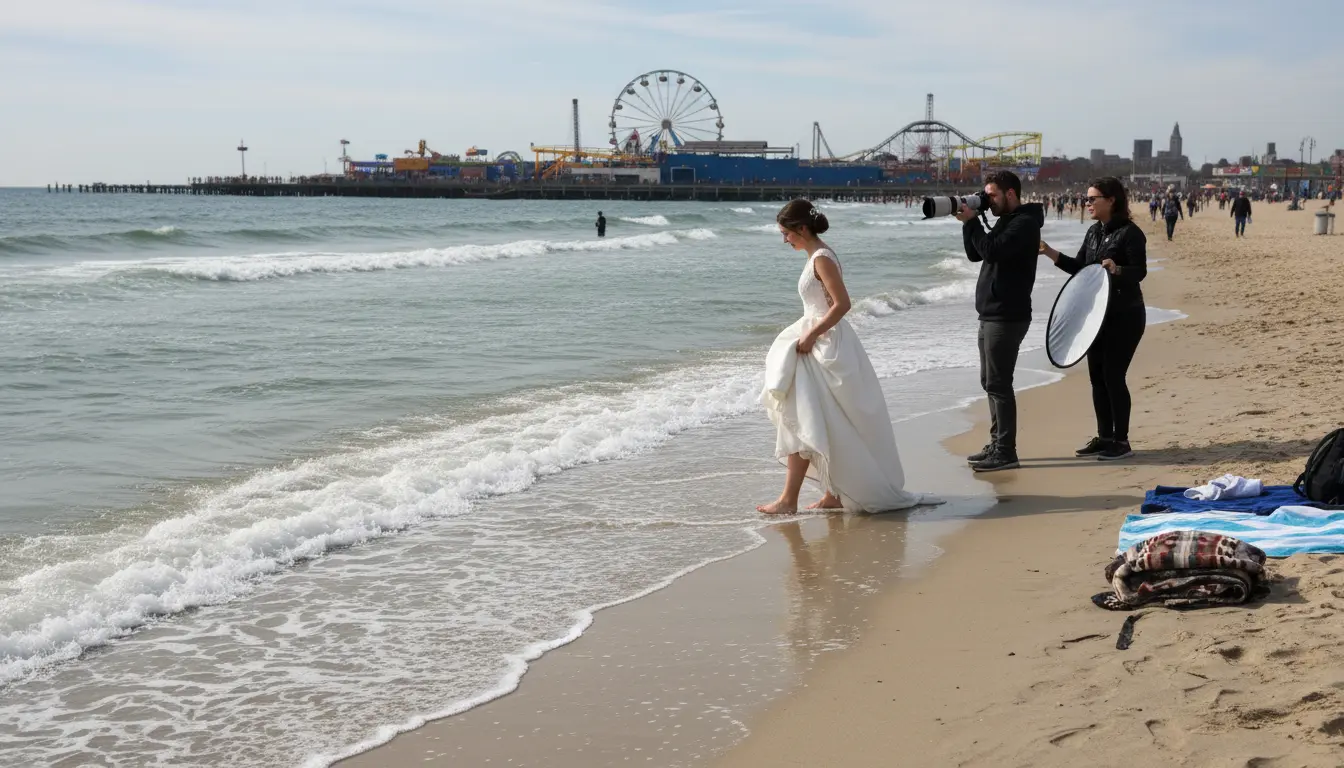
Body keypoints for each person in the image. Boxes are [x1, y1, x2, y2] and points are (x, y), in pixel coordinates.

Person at [757, 199, 936, 514]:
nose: (785, 240)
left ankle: (789, 501)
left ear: (802, 228)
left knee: (805, 419)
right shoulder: (817, 254)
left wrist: (811, 334)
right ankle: (832, 495)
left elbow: (842, 304)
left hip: (823, 345)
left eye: (786, 233)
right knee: (821, 419)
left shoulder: (821, 258)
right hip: (822, 343)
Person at [1039, 177, 1147, 461]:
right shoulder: (1093, 233)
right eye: (1085, 199)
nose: (1086, 203)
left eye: (1091, 199)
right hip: (1096, 318)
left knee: (1113, 376)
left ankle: (1121, 442)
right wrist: (1050, 252)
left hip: (1125, 316)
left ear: (1111, 200)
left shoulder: (1130, 233)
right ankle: (1105, 437)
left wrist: (1118, 269)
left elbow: (1140, 271)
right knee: (1097, 378)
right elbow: (1080, 270)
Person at [956, 170, 1044, 472]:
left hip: (1008, 314)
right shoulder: (1007, 222)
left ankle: (1006, 451)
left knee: (998, 383)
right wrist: (969, 223)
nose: (987, 200)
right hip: (992, 313)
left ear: (1010, 194)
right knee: (990, 382)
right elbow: (975, 254)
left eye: (992, 195)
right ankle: (997, 444)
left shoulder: (1024, 224)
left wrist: (972, 221)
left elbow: (992, 250)